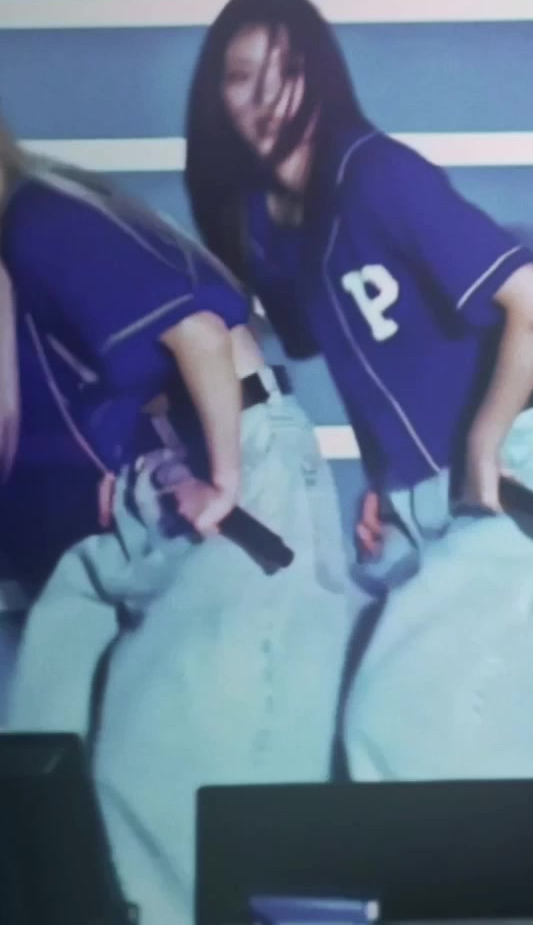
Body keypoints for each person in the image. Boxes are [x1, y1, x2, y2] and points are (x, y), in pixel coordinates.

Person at [182, 0, 533, 781]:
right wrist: (391, 476)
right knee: (372, 740)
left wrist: (482, 444)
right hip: (429, 494)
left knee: (404, 735)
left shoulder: (375, 172)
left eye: (287, 70)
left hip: (518, 466)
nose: (268, 97)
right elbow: (370, 352)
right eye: (242, 76)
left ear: (322, 77)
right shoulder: (275, 225)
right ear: (216, 97)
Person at [0, 109, 352, 924]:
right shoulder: (28, 231)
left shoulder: (39, 218)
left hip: (229, 477)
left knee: (166, 807)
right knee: (58, 789)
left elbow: (196, 331)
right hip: (148, 503)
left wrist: (225, 481)